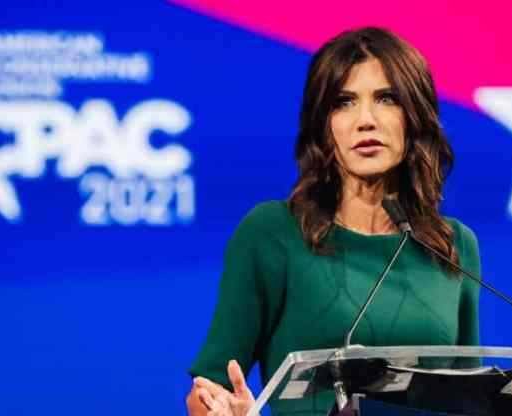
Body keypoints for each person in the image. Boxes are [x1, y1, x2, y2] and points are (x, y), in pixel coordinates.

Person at [186, 27, 481, 416]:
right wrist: (219, 408)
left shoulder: (452, 243)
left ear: (414, 116)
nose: (366, 120)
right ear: (324, 125)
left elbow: (471, 397)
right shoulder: (274, 233)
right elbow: (210, 387)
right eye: (344, 102)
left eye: (387, 98)